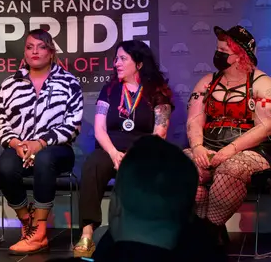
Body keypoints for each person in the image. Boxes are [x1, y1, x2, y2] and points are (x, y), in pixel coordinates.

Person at [73, 40, 173, 258]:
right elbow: (99, 129)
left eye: (122, 59)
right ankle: (87, 232)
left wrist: (136, 156)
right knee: (92, 165)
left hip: (144, 151)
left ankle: (139, 234)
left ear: (138, 64)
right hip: (112, 149)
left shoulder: (157, 92)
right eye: (116, 59)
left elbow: (160, 133)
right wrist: (113, 153)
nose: (116, 63)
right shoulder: (109, 90)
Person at [0, 29, 83, 255]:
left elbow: (73, 124)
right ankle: (27, 221)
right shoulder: (11, 83)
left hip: (57, 150)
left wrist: (40, 143)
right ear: (24, 52)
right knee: (5, 167)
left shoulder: (69, 82)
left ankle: (39, 233)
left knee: (44, 158)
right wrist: (15, 143)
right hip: (20, 147)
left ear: (51, 53)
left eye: (41, 47)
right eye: (30, 47)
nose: (35, 52)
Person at [184, 25, 271, 245]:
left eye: (224, 50)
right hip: (208, 145)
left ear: (240, 56)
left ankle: (208, 233)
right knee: (183, 167)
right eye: (217, 48)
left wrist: (231, 150)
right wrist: (197, 147)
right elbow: (194, 120)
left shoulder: (261, 83)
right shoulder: (206, 82)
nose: (218, 53)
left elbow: (265, 127)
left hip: (250, 150)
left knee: (230, 170)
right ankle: (208, 234)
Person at [93, 135, 201, 262]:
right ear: (191, 213)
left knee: (99, 234)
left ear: (115, 205)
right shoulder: (204, 248)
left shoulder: (106, 247)